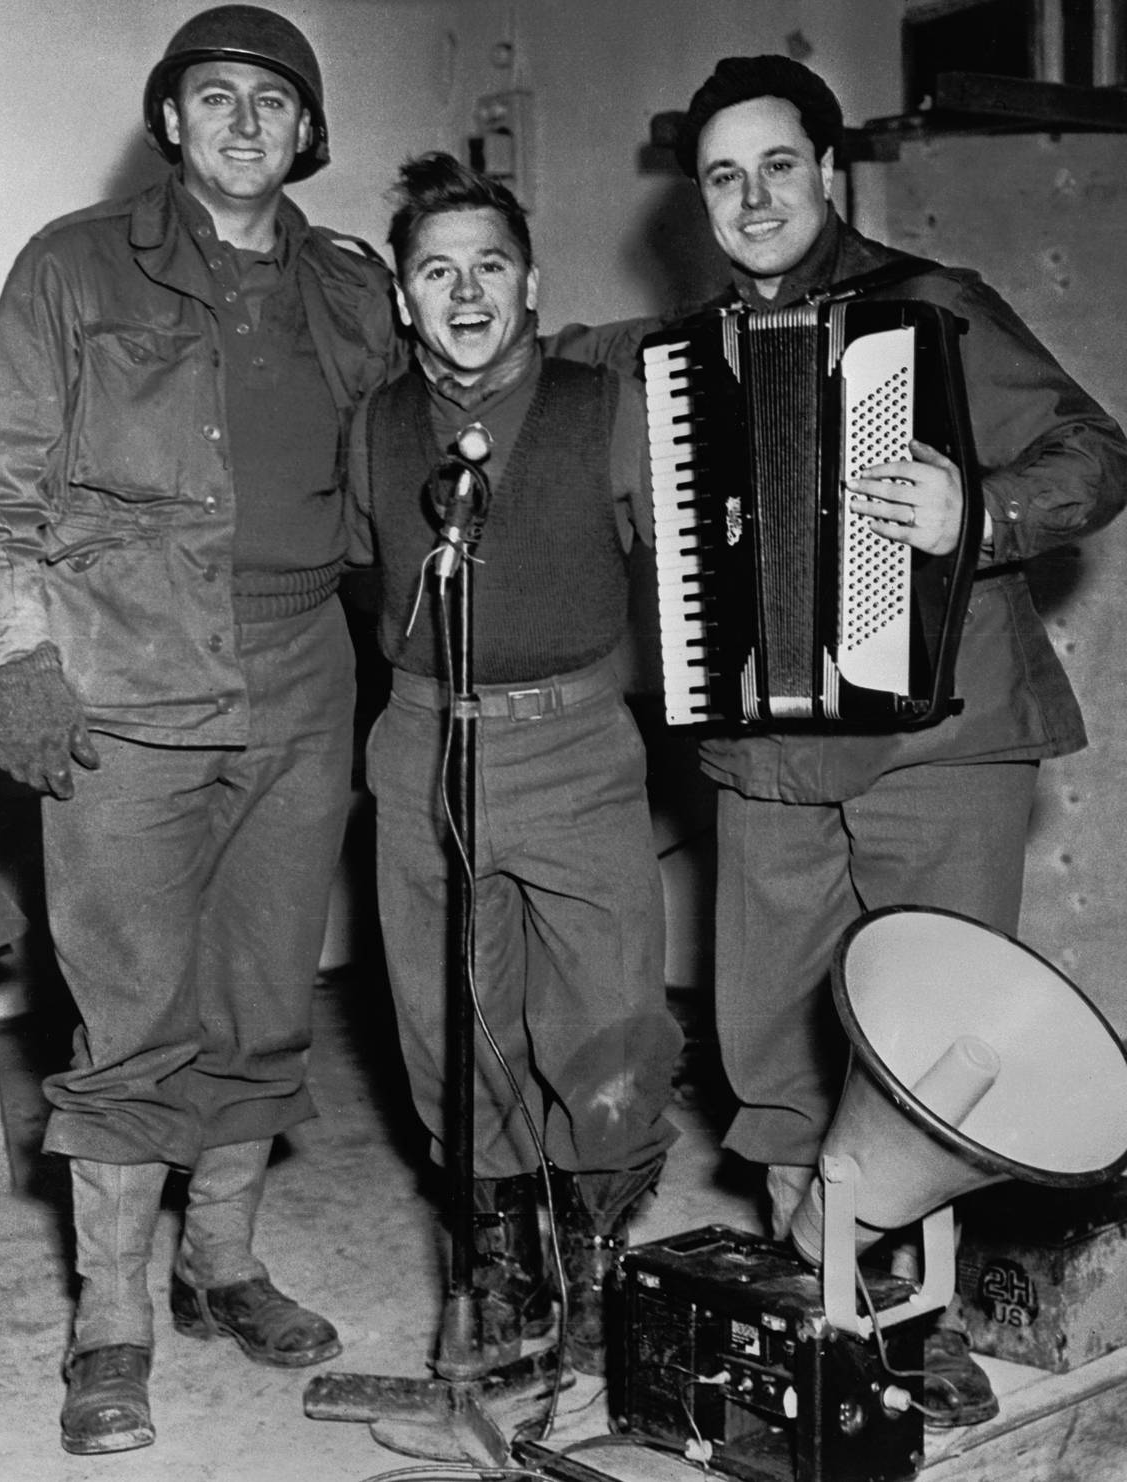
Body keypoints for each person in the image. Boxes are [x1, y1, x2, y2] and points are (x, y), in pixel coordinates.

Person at [552, 54, 1127, 1424]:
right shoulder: (674, 362)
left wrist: (978, 513)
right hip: (769, 757)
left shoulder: (935, 305)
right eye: (723, 177)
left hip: (944, 734)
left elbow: (1097, 452)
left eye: (777, 166)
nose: (753, 199)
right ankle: (829, 1300)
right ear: (698, 199)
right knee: (775, 1036)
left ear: (828, 171)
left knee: (942, 1036)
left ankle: (926, 1311)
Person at [0, 4, 399, 1456]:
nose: (245, 121)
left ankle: (224, 1264)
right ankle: (111, 1320)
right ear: (171, 120)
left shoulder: (353, 287)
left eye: (274, 99)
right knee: (134, 1017)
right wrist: (26, 660)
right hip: (127, 686)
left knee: (267, 997)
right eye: (215, 96)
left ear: (307, 132)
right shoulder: (74, 265)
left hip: (306, 677)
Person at [347, 152, 684, 1375]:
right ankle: (496, 1257)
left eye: (490, 265)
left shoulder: (611, 406)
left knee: (609, 1010)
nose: (466, 292)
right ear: (403, 298)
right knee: (447, 1015)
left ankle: (593, 1256)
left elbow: (692, 563)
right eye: (437, 271)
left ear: (531, 282)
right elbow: (354, 574)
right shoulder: (375, 425)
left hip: (577, 745)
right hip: (422, 744)